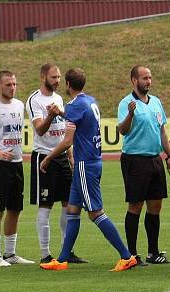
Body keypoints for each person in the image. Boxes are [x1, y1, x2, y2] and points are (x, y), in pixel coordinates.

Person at [40, 68, 138, 271]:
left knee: (95, 213)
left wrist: (49, 157)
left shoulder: (74, 105)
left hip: (85, 163)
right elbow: (79, 118)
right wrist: (61, 112)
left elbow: (67, 141)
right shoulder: (89, 101)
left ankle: (126, 256)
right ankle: (62, 259)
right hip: (92, 161)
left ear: (68, 84)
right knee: (72, 210)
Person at [26, 63, 87, 264]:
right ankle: (45, 254)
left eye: (59, 77)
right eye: (53, 77)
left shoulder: (59, 98)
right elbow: (40, 130)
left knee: (68, 205)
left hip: (61, 157)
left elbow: (64, 132)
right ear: (43, 76)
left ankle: (65, 250)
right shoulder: (34, 100)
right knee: (45, 206)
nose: (58, 81)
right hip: (44, 157)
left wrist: (70, 155)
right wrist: (51, 115)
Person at [117, 65, 170, 265]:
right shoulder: (126, 103)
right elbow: (122, 131)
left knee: (155, 206)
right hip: (134, 160)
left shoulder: (156, 102)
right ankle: (131, 255)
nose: (148, 81)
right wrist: (130, 115)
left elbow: (162, 131)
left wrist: (169, 155)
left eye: (149, 78)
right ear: (134, 80)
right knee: (135, 205)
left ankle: (154, 252)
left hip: (154, 160)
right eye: (144, 78)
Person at [0, 71, 34, 267]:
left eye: (14, 84)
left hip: (17, 164)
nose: (12, 87)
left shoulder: (19, 105)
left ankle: (10, 254)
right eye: (8, 84)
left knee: (15, 209)